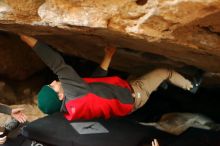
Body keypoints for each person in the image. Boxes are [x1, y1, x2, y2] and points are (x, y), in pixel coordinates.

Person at [19, 34, 195, 121]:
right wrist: (28, 39)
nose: (53, 81)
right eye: (53, 86)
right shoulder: (73, 91)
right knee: (164, 71)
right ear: (60, 96)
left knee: (138, 74)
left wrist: (109, 56)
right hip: (133, 95)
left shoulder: (72, 107)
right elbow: (57, 63)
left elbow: (95, 84)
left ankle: (160, 86)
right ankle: (192, 85)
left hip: (124, 96)